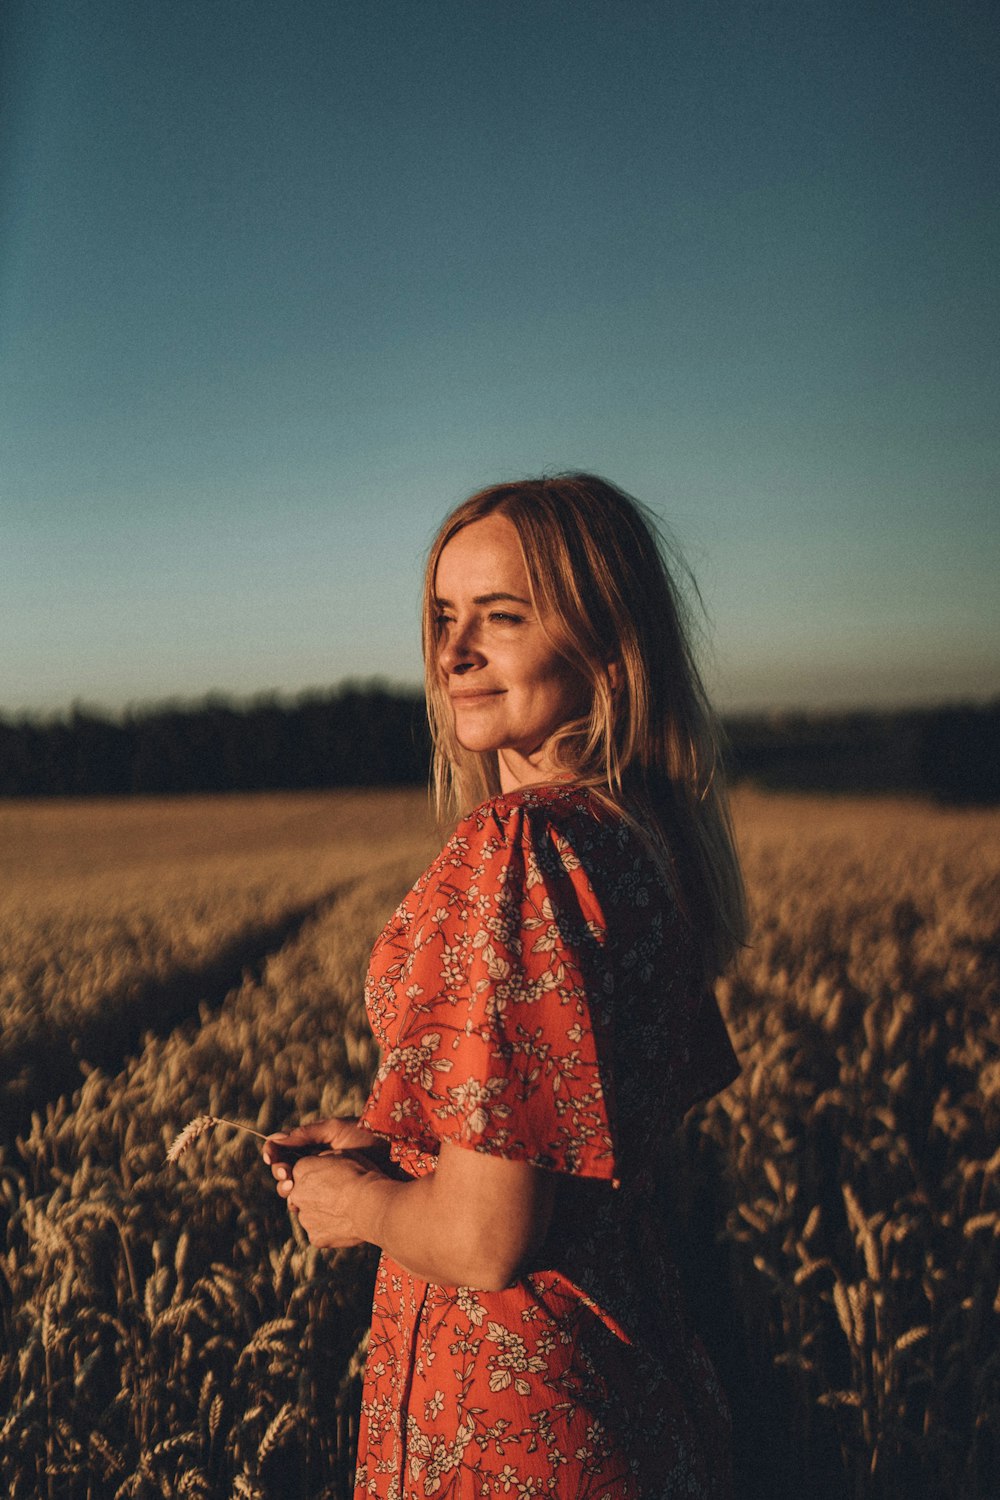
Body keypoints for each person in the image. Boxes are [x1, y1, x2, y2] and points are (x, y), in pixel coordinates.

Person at [264, 473, 747, 1499]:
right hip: (632, 1386)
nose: (452, 654)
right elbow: (562, 1142)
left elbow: (487, 1240)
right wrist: (398, 1145)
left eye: (502, 618)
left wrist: (357, 1205)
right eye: (443, 619)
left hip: (510, 1422)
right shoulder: (630, 836)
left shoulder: (521, 845)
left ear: (608, 642)